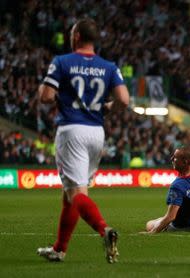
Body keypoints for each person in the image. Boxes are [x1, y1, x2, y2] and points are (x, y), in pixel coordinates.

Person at [36, 18, 129, 263]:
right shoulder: (108, 66)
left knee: (75, 191)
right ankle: (59, 249)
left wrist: (46, 90)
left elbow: (46, 97)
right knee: (71, 194)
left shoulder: (62, 62)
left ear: (76, 36)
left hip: (72, 130)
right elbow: (124, 99)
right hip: (96, 132)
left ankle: (104, 230)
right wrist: (106, 107)